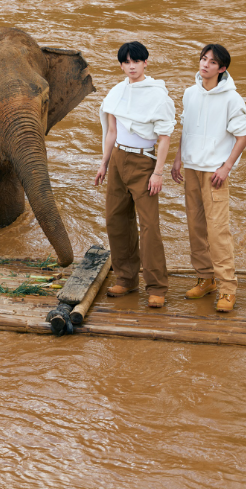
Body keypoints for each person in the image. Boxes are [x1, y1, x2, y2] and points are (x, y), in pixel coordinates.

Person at [95, 41, 175, 308]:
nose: (131, 66)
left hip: (144, 161)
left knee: (150, 225)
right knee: (115, 219)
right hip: (118, 158)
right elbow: (112, 131)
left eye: (136, 61)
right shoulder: (117, 92)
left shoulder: (158, 96)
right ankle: (126, 279)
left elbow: (164, 138)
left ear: (145, 63)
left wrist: (158, 173)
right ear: (121, 65)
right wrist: (104, 164)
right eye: (126, 62)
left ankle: (157, 287)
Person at [170, 44, 246, 312]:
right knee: (195, 227)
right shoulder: (190, 93)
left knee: (218, 231)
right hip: (191, 168)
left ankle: (227, 289)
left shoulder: (232, 99)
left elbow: (242, 137)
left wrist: (226, 167)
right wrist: (178, 158)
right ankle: (206, 279)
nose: (205, 65)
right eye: (203, 59)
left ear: (222, 68)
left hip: (215, 172)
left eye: (212, 62)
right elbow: (185, 128)